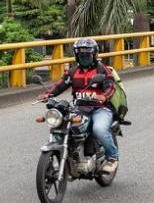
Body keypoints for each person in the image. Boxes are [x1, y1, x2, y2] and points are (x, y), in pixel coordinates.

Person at [38, 38, 120, 174]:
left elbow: (111, 87)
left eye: (87, 54)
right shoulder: (72, 72)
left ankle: (112, 157)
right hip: (80, 108)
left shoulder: (102, 70)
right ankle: (69, 156)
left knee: (99, 129)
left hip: (100, 109)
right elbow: (60, 85)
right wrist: (48, 95)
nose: (84, 57)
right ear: (76, 56)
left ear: (94, 55)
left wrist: (104, 96)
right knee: (62, 125)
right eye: (81, 54)